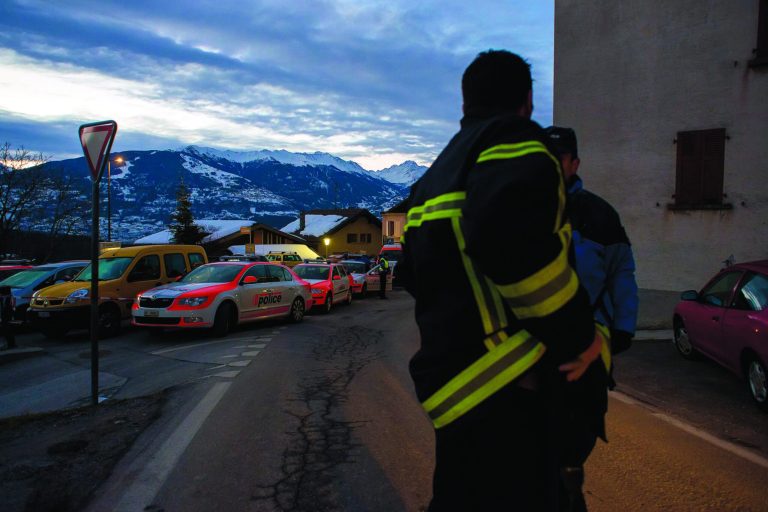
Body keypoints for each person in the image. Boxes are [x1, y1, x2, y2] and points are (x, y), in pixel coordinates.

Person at [398, 50, 610, 511]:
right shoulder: (515, 142)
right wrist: (580, 337)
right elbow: (509, 244)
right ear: (527, 101)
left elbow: (409, 272)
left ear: (465, 102)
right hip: (507, 388)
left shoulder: (435, 176)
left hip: (452, 394)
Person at [544, 126, 639, 510]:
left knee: (577, 435)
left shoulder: (600, 215)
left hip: (588, 343)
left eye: (559, 159)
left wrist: (623, 327)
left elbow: (622, 274)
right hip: (533, 344)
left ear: (575, 163)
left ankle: (569, 485)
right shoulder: (524, 209)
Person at [1, 285, 17, 349]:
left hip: (8, 316)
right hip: (4, 316)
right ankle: (9, 344)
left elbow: (12, 308)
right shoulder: (3, 298)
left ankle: (11, 344)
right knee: (6, 330)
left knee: (9, 330)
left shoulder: (11, 299)